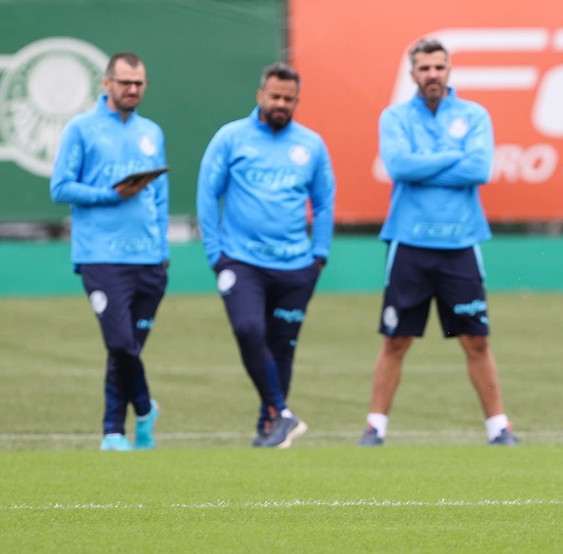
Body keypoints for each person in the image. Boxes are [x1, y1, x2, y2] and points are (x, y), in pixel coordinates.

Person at [358, 38, 518, 447]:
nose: (432, 74)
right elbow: (397, 166)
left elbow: (479, 168)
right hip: (409, 243)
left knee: (476, 340)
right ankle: (375, 426)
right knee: (396, 339)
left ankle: (499, 427)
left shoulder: (474, 115)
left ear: (448, 71)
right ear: (413, 73)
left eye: (439, 67)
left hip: (460, 243)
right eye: (424, 68)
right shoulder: (394, 117)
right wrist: (452, 156)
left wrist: (423, 164)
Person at [197, 62, 336, 448]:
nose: (280, 104)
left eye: (288, 99)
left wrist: (318, 257)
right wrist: (215, 254)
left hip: (295, 266)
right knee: (248, 330)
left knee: (283, 347)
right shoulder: (231, 138)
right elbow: (208, 194)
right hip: (242, 261)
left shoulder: (310, 145)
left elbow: (323, 203)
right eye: (274, 96)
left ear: (297, 101)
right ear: (260, 95)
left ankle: (269, 426)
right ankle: (282, 411)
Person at [50, 52, 167, 452]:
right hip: (101, 255)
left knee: (127, 352)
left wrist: (162, 248)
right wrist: (110, 194)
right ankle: (146, 407)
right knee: (119, 342)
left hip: (149, 259)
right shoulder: (81, 129)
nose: (132, 89)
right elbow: (60, 187)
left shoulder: (152, 131)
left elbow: (160, 197)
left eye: (139, 83)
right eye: (124, 83)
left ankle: (114, 433)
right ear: (107, 83)